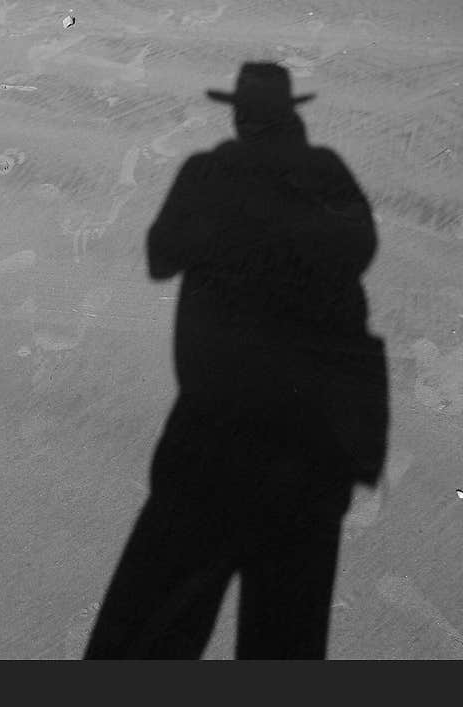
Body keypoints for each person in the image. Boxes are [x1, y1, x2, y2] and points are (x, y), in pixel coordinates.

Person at [85, 63, 388, 658]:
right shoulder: (324, 172)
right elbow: (361, 250)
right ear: (290, 115)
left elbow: (159, 257)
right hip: (313, 436)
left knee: (154, 628)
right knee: (286, 638)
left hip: (211, 428)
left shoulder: (209, 173)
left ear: (242, 114)